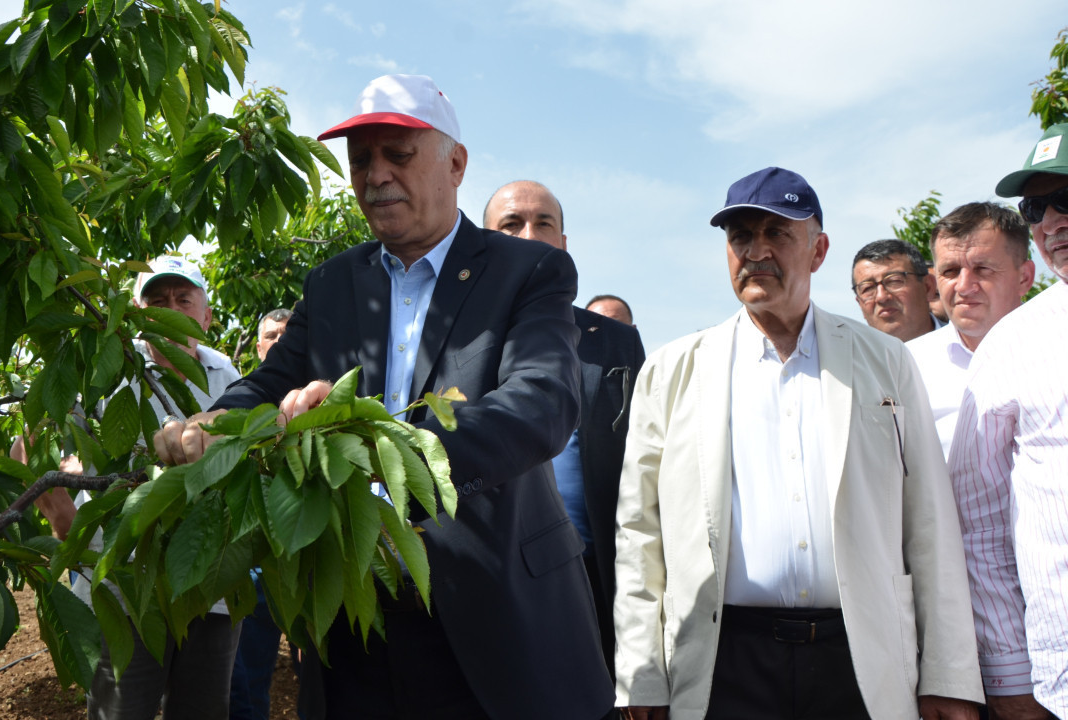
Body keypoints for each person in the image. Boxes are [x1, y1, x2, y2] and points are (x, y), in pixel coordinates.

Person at [153, 74, 613, 720]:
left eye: (398, 154)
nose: (375, 174)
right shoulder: (334, 284)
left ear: (455, 164)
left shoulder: (527, 270)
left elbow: (540, 406)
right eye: (361, 158)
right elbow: (267, 383)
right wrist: (215, 421)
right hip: (354, 625)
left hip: (500, 620)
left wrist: (374, 443)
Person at [613, 167, 983, 720]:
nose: (756, 251)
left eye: (777, 233)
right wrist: (640, 676)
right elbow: (639, 532)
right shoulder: (673, 370)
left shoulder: (885, 362)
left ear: (818, 250)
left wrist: (949, 674)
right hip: (722, 662)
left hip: (859, 660)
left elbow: (928, 520)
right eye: (740, 237)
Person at [13, 256, 243, 720]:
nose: (169, 310)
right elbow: (32, 448)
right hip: (124, 579)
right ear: (136, 313)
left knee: (203, 709)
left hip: (209, 583)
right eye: (156, 302)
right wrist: (61, 516)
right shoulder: (104, 370)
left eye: (183, 299)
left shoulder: (230, 378)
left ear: (206, 315)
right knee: (122, 709)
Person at [483, 179, 646, 680]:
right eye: (512, 224)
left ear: (564, 244)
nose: (529, 235)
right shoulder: (456, 337)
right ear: (484, 242)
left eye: (544, 223)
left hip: (594, 577)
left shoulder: (616, 343)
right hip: (485, 581)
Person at [950, 123, 1068, 720]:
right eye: (1037, 207)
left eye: (1067, 196)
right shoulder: (1013, 345)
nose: (1052, 222)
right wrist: (1011, 679)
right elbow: (980, 527)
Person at [906, 203, 1035, 457]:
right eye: (950, 271)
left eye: (983, 269)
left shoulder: (1057, 351)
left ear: (1024, 278)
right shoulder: (906, 367)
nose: (964, 287)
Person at [230, 306, 297, 720]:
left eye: (286, 336)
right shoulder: (242, 396)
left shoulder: (311, 396)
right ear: (257, 347)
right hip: (253, 563)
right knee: (247, 672)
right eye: (270, 336)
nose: (278, 343)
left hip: (306, 550)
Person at [851, 239, 941, 342]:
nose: (881, 297)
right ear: (859, 304)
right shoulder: (849, 356)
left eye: (894, 281)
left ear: (928, 287)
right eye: (867, 288)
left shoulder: (962, 342)